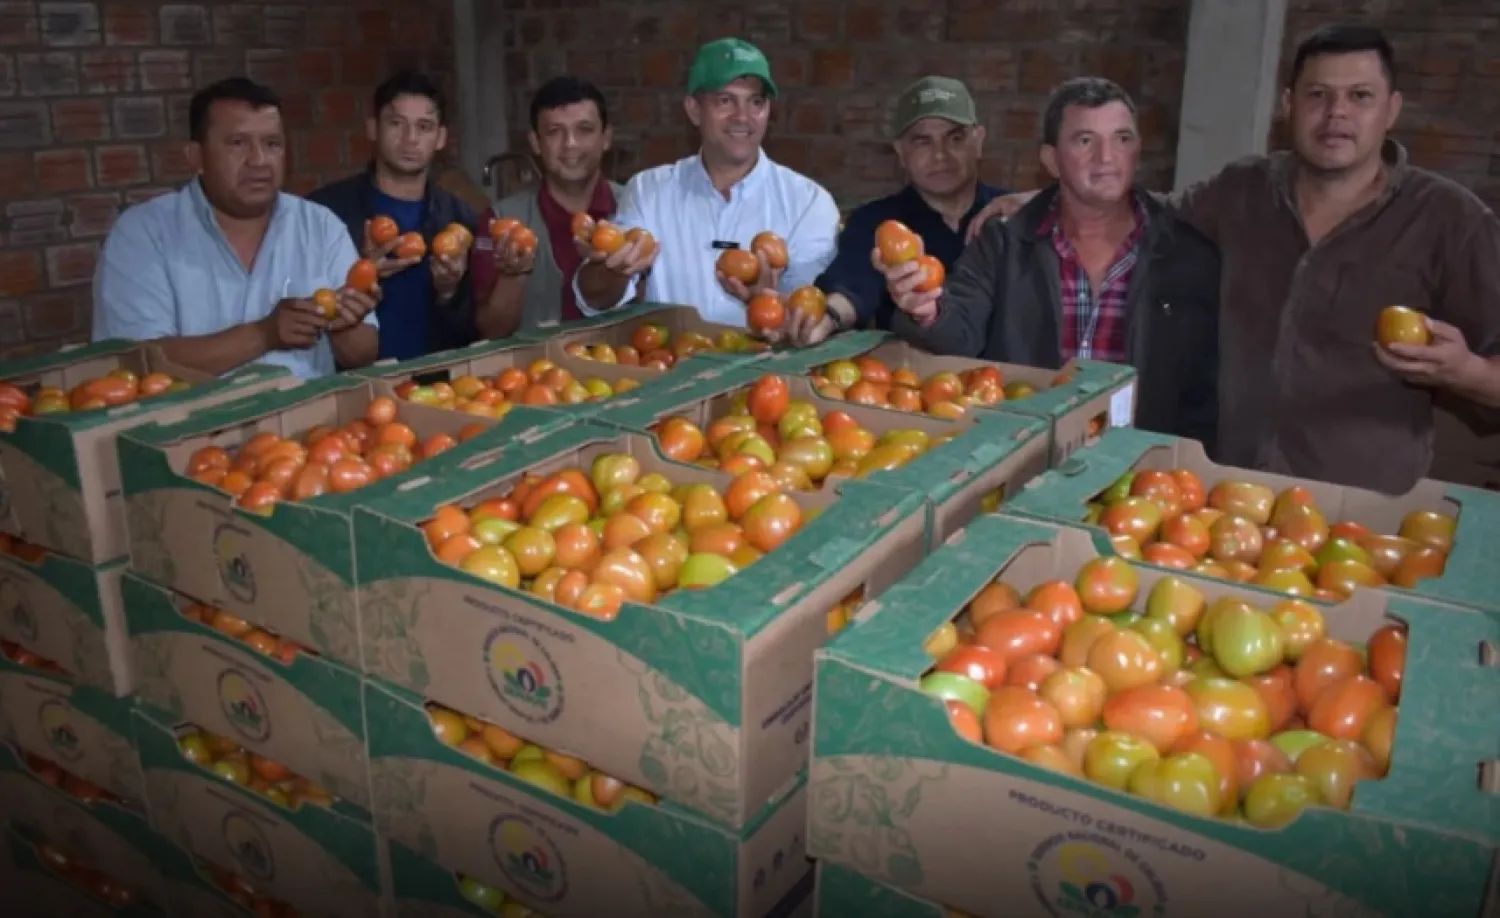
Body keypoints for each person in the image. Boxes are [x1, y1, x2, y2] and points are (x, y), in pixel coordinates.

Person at [970, 25, 1500, 493]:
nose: (1336, 113)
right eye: (1318, 94)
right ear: (1289, 105)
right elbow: (1149, 212)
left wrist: (1467, 371)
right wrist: (1048, 200)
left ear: (1392, 109)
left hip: (1358, 508)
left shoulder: (1448, 220)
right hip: (1223, 495)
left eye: (1360, 96)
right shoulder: (1243, 191)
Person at [881, 77, 1221, 449]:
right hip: (1022, 455)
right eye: (1085, 140)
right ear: (1051, 160)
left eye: (1122, 138)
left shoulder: (1186, 255)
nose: (1107, 157)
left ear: (1137, 150)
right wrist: (926, 309)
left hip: (1139, 468)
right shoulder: (1004, 243)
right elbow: (957, 331)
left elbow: (1203, 394)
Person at [93, 77, 378, 379]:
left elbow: (363, 355)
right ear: (196, 157)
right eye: (237, 143)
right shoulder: (144, 234)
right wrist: (264, 335)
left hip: (310, 410)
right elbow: (135, 364)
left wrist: (343, 325)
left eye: (272, 144)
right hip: (198, 412)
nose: (259, 160)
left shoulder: (320, 226)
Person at [573, 38, 840, 329]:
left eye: (756, 102)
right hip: (669, 356)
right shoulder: (648, 191)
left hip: (768, 360)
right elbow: (597, 300)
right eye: (725, 101)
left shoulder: (808, 203)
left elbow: (811, 316)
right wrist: (612, 270)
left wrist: (769, 302)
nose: (742, 117)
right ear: (694, 110)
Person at [786, 76, 1008, 347]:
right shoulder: (876, 221)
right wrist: (826, 318)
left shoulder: (1013, 215)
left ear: (979, 141)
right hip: (907, 371)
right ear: (901, 152)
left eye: (955, 138)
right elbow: (852, 286)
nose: (940, 155)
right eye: (923, 142)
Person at [308, 70, 481, 362]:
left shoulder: (460, 219)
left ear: (440, 138)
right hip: (354, 381)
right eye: (396, 123)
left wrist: (449, 292)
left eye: (424, 126)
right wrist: (359, 275)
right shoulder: (325, 214)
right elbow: (300, 311)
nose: (410, 139)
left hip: (437, 382)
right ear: (373, 128)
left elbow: (475, 331)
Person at [470, 76, 626, 337]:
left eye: (584, 129)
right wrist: (512, 277)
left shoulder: (635, 206)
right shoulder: (501, 221)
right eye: (555, 131)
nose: (570, 144)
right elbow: (491, 331)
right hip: (535, 364)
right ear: (535, 142)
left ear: (606, 138)